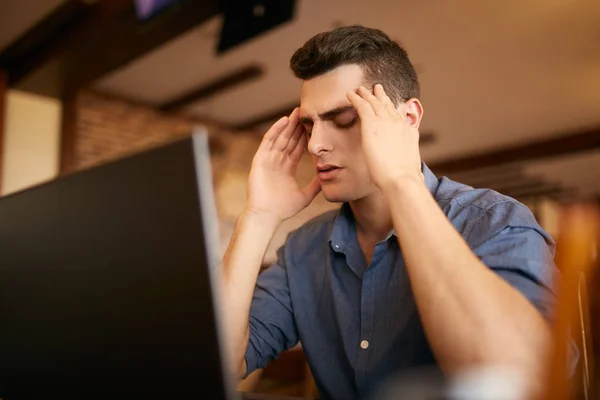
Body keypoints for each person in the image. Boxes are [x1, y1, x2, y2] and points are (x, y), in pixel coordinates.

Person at [221, 25, 560, 400]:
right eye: (308, 124)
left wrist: (401, 181)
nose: (316, 145)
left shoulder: (495, 221)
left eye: (345, 118)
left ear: (408, 120)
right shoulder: (303, 249)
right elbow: (221, 362)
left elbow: (520, 379)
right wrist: (257, 217)